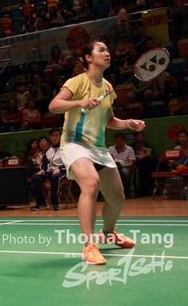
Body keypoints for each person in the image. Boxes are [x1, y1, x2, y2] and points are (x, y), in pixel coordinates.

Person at [49, 39, 145, 265]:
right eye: (101, 50)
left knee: (117, 198)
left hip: (98, 148)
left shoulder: (108, 87)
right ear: (88, 58)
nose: (107, 53)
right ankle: (89, 245)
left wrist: (128, 123)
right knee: (91, 183)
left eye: (108, 50)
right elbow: (54, 106)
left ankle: (108, 232)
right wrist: (80, 102)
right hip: (75, 143)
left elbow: (110, 121)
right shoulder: (77, 82)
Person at [31, 128, 66, 211]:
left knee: (54, 177)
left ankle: (55, 203)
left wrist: (60, 168)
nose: (54, 137)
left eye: (56, 135)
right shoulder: (48, 150)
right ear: (50, 137)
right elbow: (44, 162)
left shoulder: (65, 149)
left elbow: (69, 162)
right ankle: (41, 204)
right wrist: (42, 169)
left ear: (60, 136)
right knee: (35, 177)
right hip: (50, 171)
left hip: (62, 171)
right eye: (52, 136)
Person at [107, 133, 136, 197]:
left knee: (124, 172)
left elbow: (131, 163)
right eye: (116, 142)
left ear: (123, 140)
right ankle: (109, 192)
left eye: (120, 141)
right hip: (113, 167)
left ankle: (124, 189)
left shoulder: (129, 149)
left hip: (124, 167)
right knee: (105, 173)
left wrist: (122, 165)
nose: (118, 143)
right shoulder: (110, 149)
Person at [131, 132, 157, 197]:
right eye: (138, 136)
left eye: (142, 136)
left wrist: (150, 156)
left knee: (152, 164)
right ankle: (141, 190)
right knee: (141, 169)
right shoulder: (133, 147)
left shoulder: (147, 146)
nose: (140, 137)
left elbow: (154, 157)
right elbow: (131, 156)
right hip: (138, 164)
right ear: (135, 138)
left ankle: (151, 190)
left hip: (148, 164)